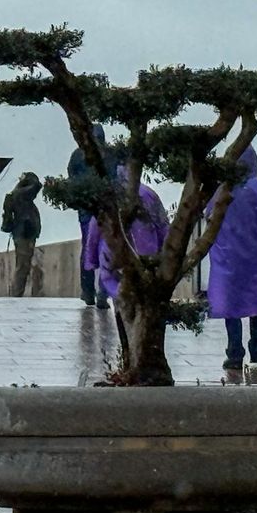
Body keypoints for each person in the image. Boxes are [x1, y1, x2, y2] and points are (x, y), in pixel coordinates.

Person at [205, 147, 257, 377]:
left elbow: (209, 215)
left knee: (232, 305)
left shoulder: (222, 190)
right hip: (256, 256)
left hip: (228, 255)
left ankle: (234, 353)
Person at [82, 171, 170, 352]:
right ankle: (143, 349)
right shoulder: (149, 194)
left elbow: (94, 229)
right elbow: (162, 225)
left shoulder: (108, 196)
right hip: (146, 254)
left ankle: (127, 350)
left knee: (120, 302)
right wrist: (165, 252)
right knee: (144, 302)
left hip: (113, 257)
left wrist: (90, 260)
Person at [66, 126, 115, 306]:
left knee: (88, 247)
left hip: (86, 210)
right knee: (107, 248)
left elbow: (71, 179)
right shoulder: (111, 154)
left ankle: (87, 291)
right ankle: (103, 291)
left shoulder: (78, 155)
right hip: (108, 209)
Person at [1, 171, 44, 296]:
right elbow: (37, 186)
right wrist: (29, 179)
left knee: (22, 265)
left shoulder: (17, 195)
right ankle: (17, 293)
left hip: (20, 233)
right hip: (24, 233)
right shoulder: (21, 194)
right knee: (23, 266)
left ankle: (17, 293)